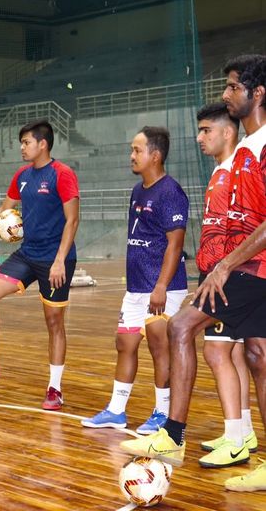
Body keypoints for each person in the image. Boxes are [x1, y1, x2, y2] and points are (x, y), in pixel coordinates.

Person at [119, 54, 266, 492]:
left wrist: (224, 263)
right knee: (257, 356)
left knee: (181, 327)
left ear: (257, 94)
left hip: (251, 267)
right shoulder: (243, 153)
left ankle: (173, 437)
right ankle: (237, 439)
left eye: (233, 87)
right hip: (245, 266)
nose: (226, 94)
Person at [0, 119, 80, 410]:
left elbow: (73, 219)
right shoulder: (21, 175)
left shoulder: (62, 174)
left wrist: (60, 260)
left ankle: (55, 389)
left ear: (42, 144)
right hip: (27, 254)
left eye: (26, 142)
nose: (22, 148)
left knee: (54, 323)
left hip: (55, 259)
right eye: (22, 143)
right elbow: (4, 210)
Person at [81, 126, 189, 432]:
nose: (131, 155)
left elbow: (175, 244)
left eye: (137, 150)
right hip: (136, 288)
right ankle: (116, 410)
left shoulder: (171, 192)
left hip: (163, 288)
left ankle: (163, 413)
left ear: (155, 155)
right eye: (132, 149)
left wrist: (161, 287)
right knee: (124, 343)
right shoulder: (138, 190)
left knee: (159, 346)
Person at [195, 102, 257, 468]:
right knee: (233, 353)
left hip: (230, 272)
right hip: (218, 270)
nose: (200, 138)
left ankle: (235, 438)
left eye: (206, 130)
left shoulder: (239, 167)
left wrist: (222, 270)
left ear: (227, 131)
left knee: (216, 352)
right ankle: (242, 430)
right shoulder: (221, 169)